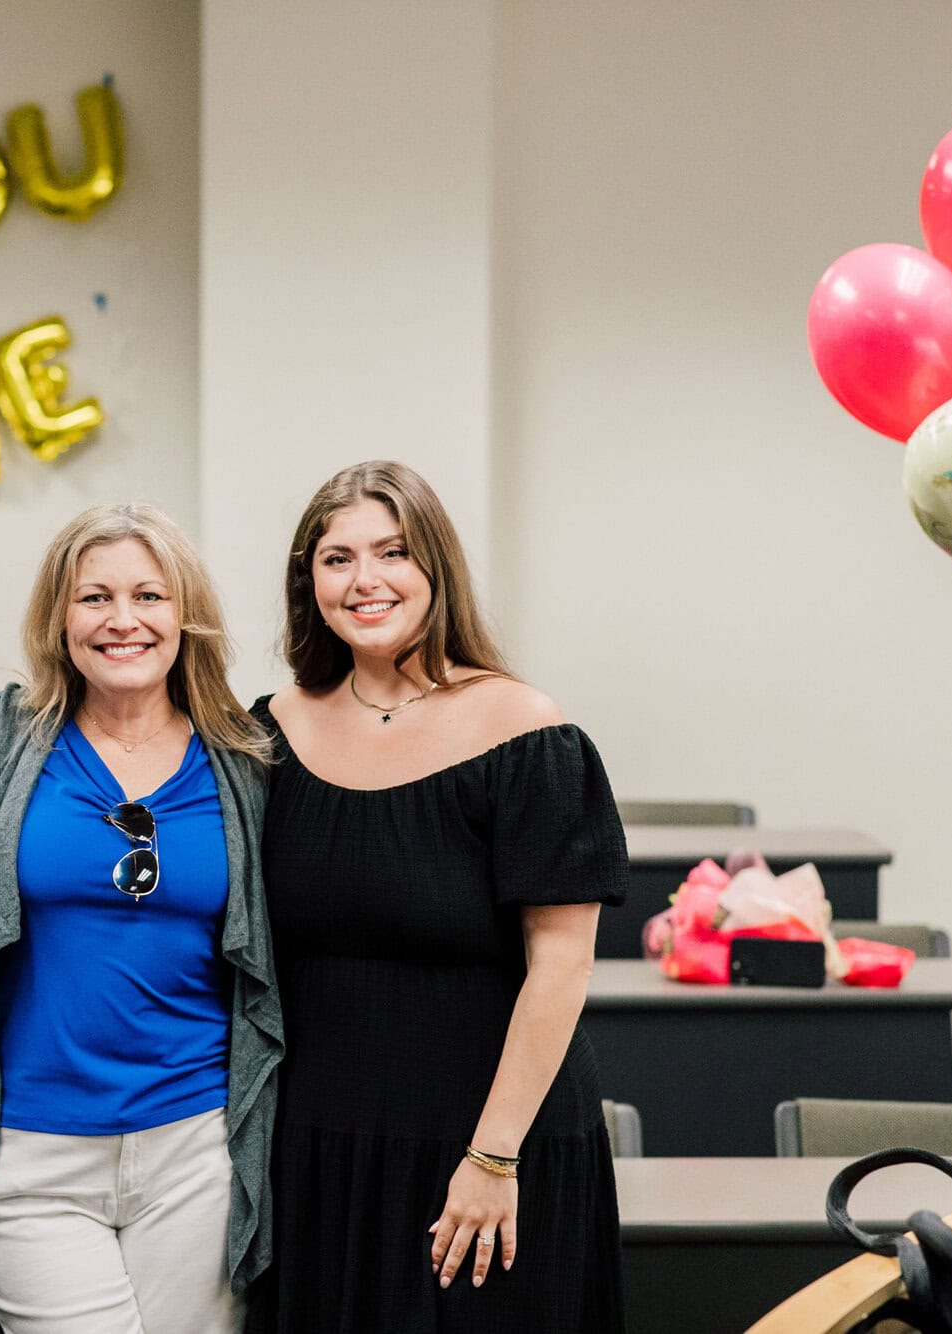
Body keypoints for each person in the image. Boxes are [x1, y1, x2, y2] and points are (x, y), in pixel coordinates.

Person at [246, 461, 627, 1333]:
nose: (365, 580)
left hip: (488, 1144)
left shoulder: (527, 733)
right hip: (321, 1149)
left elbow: (562, 964)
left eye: (392, 552)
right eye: (337, 558)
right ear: (310, 580)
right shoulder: (268, 731)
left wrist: (491, 1158)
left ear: (436, 570)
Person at [0, 503, 281, 1334]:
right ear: (58, 618)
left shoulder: (247, 757)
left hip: (196, 1145)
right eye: (94, 598)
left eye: (149, 597)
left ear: (185, 615)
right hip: (31, 1153)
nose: (122, 621)